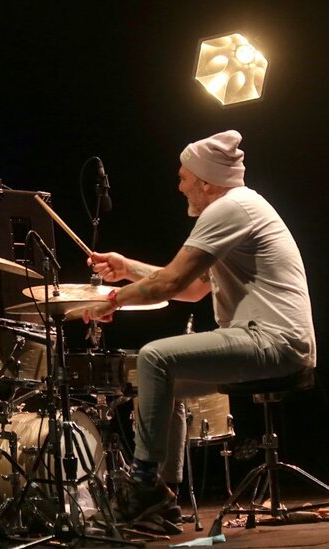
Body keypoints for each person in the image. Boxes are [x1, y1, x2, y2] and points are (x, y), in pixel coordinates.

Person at [85, 130, 316, 524]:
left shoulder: (229, 209)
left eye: (183, 178)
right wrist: (126, 269)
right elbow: (193, 289)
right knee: (161, 382)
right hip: (273, 339)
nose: (180, 187)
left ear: (206, 182)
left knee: (154, 357)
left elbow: (172, 282)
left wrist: (111, 300)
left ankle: (142, 485)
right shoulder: (242, 206)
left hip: (272, 341)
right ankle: (163, 494)